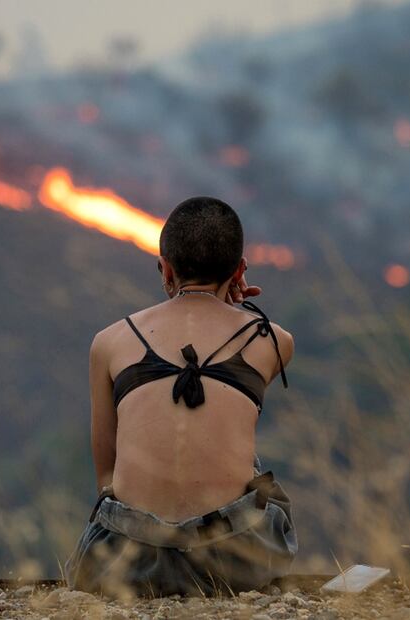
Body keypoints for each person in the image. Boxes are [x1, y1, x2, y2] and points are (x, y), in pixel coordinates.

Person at [64, 197, 297, 597]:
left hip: (126, 567)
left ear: (166, 269)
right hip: (233, 563)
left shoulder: (109, 342)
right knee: (253, 470)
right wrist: (231, 305)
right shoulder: (273, 341)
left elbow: (107, 480)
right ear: (240, 271)